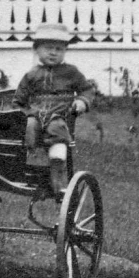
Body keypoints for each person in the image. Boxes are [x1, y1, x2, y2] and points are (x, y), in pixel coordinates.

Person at [16, 24, 96, 178]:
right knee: (29, 125)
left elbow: (87, 89)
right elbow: (19, 99)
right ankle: (29, 153)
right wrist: (24, 112)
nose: (53, 53)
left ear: (65, 51)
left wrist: (82, 101)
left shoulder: (71, 72)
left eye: (59, 49)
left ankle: (57, 161)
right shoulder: (32, 74)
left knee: (56, 127)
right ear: (37, 50)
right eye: (48, 48)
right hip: (35, 116)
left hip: (60, 115)